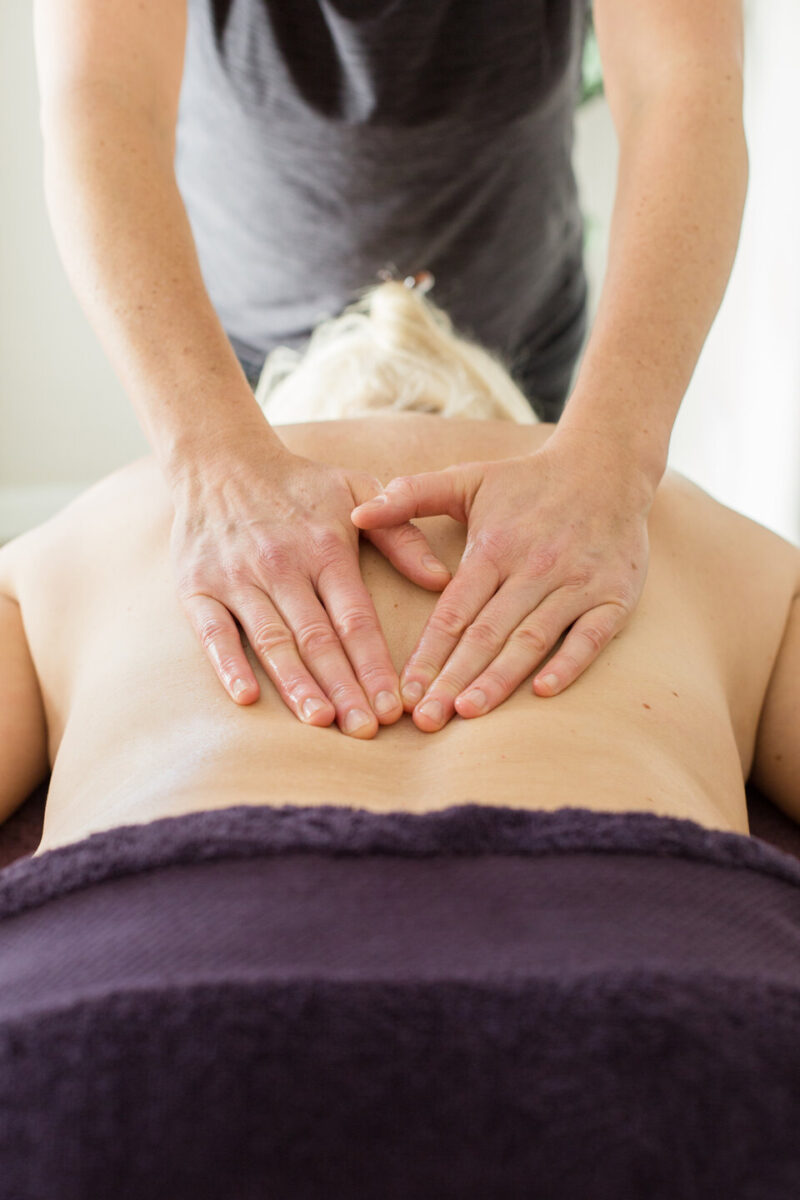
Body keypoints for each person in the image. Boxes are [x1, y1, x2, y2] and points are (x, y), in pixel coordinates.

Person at [31, 0, 749, 729]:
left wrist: (612, 459)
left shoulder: (77, 559)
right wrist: (208, 457)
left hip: (526, 340)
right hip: (226, 364)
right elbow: (101, 97)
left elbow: (681, 87)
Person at [0, 279, 797, 854]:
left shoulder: (97, 527)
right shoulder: (672, 522)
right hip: (652, 925)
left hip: (149, 940)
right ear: (506, 423)